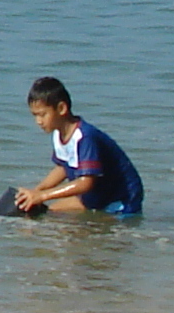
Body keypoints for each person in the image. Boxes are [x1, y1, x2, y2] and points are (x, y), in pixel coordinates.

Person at [12, 77, 143, 216]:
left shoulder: (84, 137)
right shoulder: (58, 133)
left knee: (96, 233)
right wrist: (37, 191)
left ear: (62, 108)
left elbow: (85, 183)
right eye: (35, 115)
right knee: (48, 214)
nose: (38, 121)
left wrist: (43, 196)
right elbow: (63, 167)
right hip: (95, 196)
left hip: (120, 198)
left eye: (42, 115)